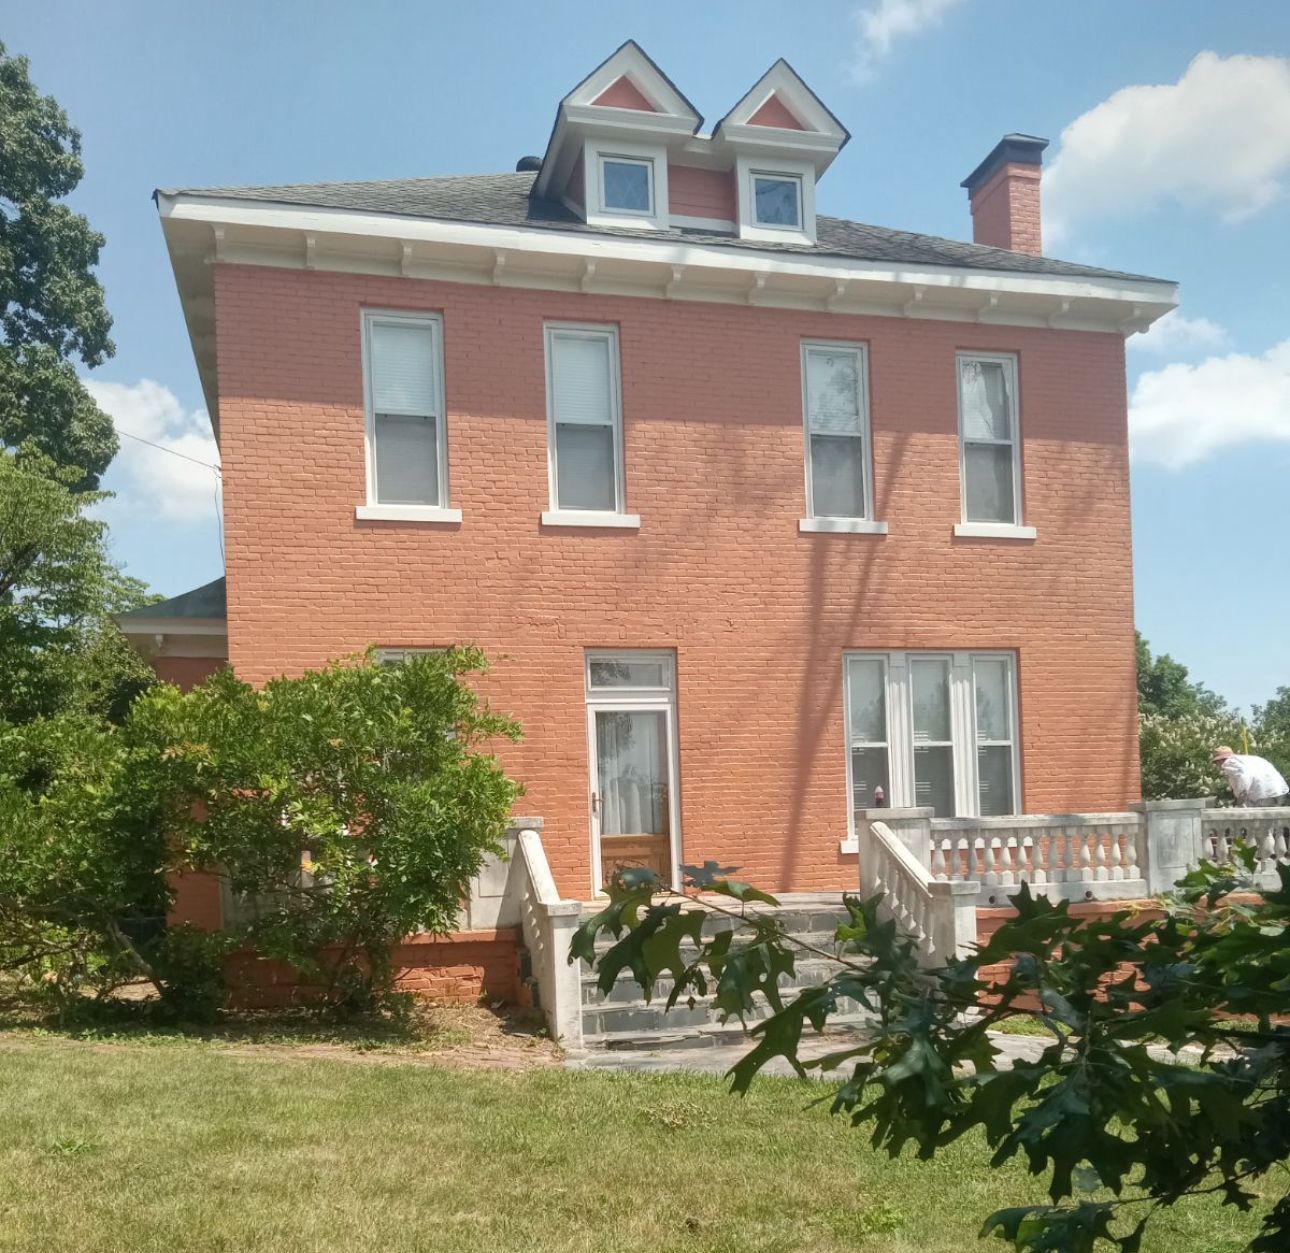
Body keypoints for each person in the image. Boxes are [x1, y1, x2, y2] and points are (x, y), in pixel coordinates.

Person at [1212, 746, 1289, 806]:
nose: (1217, 765)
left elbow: (1243, 776)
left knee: (1258, 823)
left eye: (1216, 762)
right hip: (1280, 791)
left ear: (1220, 760)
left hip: (1265, 795)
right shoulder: (1249, 759)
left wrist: (1240, 798)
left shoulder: (1229, 762)